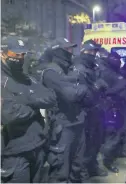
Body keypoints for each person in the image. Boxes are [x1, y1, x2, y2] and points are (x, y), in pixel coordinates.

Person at [1, 36, 56, 183]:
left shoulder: (26, 78)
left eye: (23, 54)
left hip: (37, 146)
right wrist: (35, 103)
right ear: (3, 54)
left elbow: (50, 97)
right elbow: (8, 115)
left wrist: (27, 100)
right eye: (16, 54)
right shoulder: (2, 80)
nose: (20, 58)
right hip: (15, 154)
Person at [33, 38, 89, 183]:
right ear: (58, 51)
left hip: (78, 122)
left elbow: (83, 92)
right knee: (61, 171)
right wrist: (81, 86)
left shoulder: (70, 69)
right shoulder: (51, 72)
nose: (71, 52)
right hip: (62, 127)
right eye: (68, 49)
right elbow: (71, 95)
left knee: (77, 166)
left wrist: (80, 87)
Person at [71, 39, 108, 178]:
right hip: (84, 111)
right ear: (83, 50)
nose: (93, 54)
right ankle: (84, 171)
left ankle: (93, 166)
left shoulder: (93, 65)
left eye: (94, 51)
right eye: (90, 51)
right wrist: (95, 87)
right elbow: (79, 91)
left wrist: (102, 85)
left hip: (97, 109)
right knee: (85, 143)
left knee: (97, 141)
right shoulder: (78, 66)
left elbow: (99, 80)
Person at [97, 52, 126, 173]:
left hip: (120, 106)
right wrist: (121, 84)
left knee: (120, 132)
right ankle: (107, 161)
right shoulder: (106, 73)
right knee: (112, 135)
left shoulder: (117, 71)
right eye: (117, 59)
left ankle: (117, 153)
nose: (119, 61)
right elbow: (106, 91)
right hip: (110, 108)